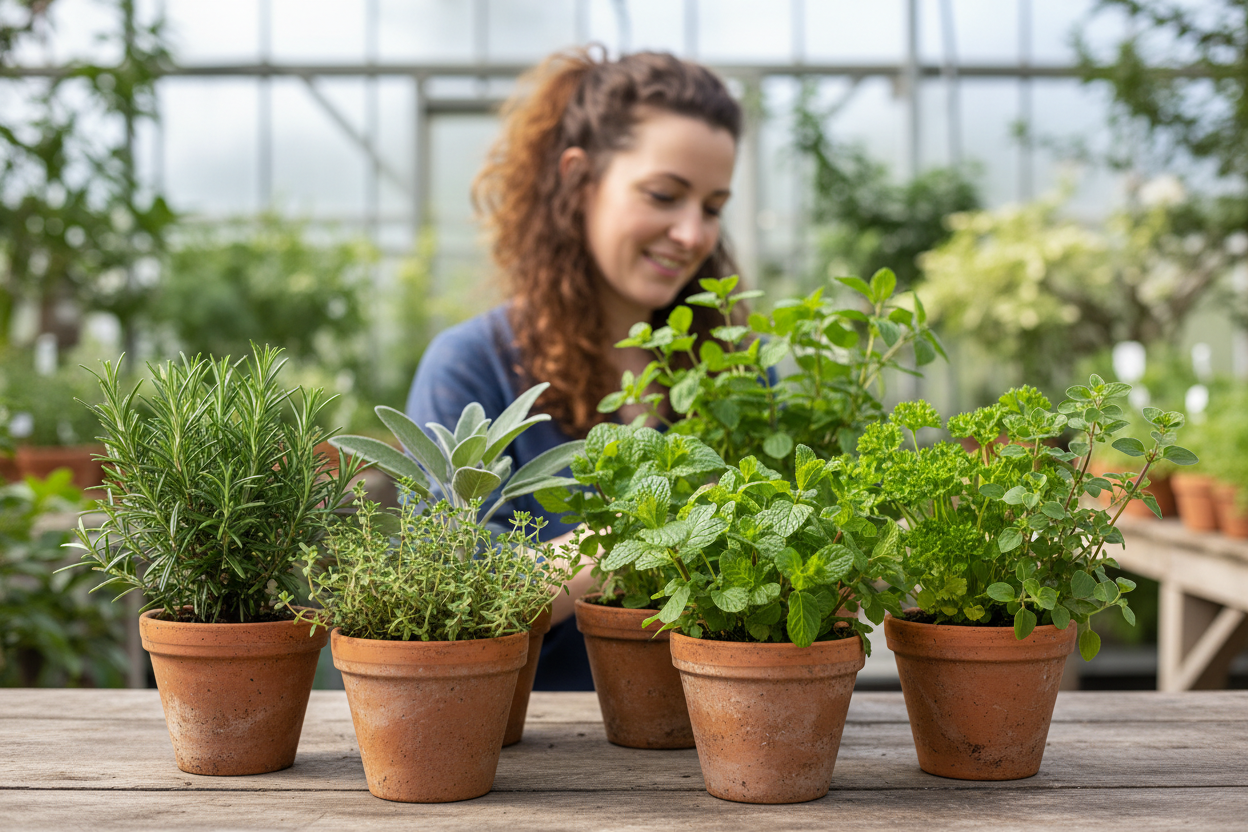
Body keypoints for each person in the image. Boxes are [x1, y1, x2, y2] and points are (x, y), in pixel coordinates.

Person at [406, 46, 743, 690]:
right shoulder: (472, 366)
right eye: (665, 195)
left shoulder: (736, 373)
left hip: (723, 731)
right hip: (540, 758)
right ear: (579, 179)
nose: (693, 234)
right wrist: (652, 537)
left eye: (713, 206)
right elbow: (452, 594)